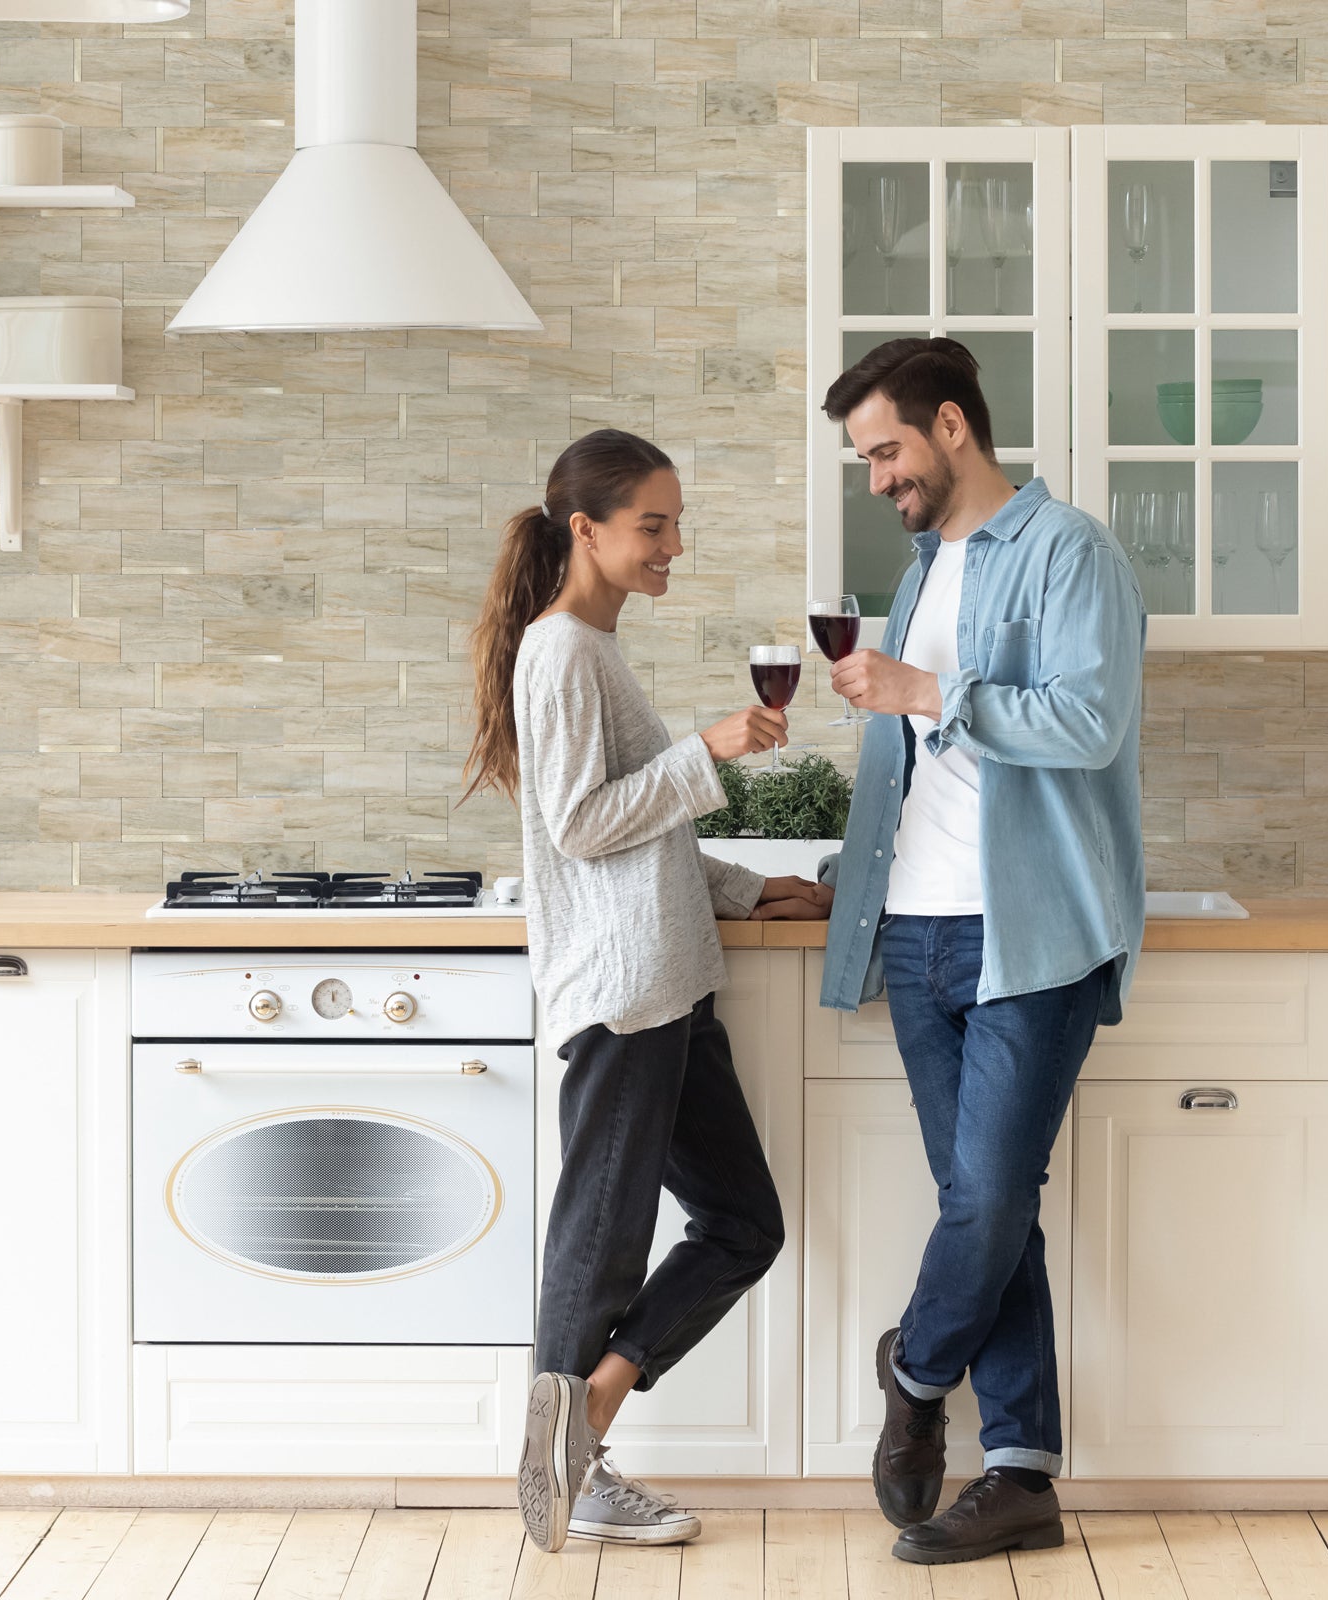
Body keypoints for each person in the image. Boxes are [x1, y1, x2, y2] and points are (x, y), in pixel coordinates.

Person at [784, 337, 1145, 1564]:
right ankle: (1022, 1474)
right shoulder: (920, 572)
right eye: (863, 460)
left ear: (951, 426)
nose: (877, 478)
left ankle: (916, 1369)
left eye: (886, 450)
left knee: (988, 1195)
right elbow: (915, 764)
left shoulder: (1068, 550)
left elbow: (1089, 723)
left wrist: (928, 692)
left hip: (1026, 929)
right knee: (991, 1212)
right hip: (915, 927)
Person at [464, 428, 825, 1553]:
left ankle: (586, 1418)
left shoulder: (593, 649)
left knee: (743, 1224)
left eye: (675, 524)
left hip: (670, 984)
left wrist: (747, 886)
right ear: (587, 529)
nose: (673, 545)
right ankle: (571, 1460)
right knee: (602, 1238)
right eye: (652, 525)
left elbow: (638, 837)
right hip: (624, 993)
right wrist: (708, 751)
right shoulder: (562, 651)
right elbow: (580, 825)